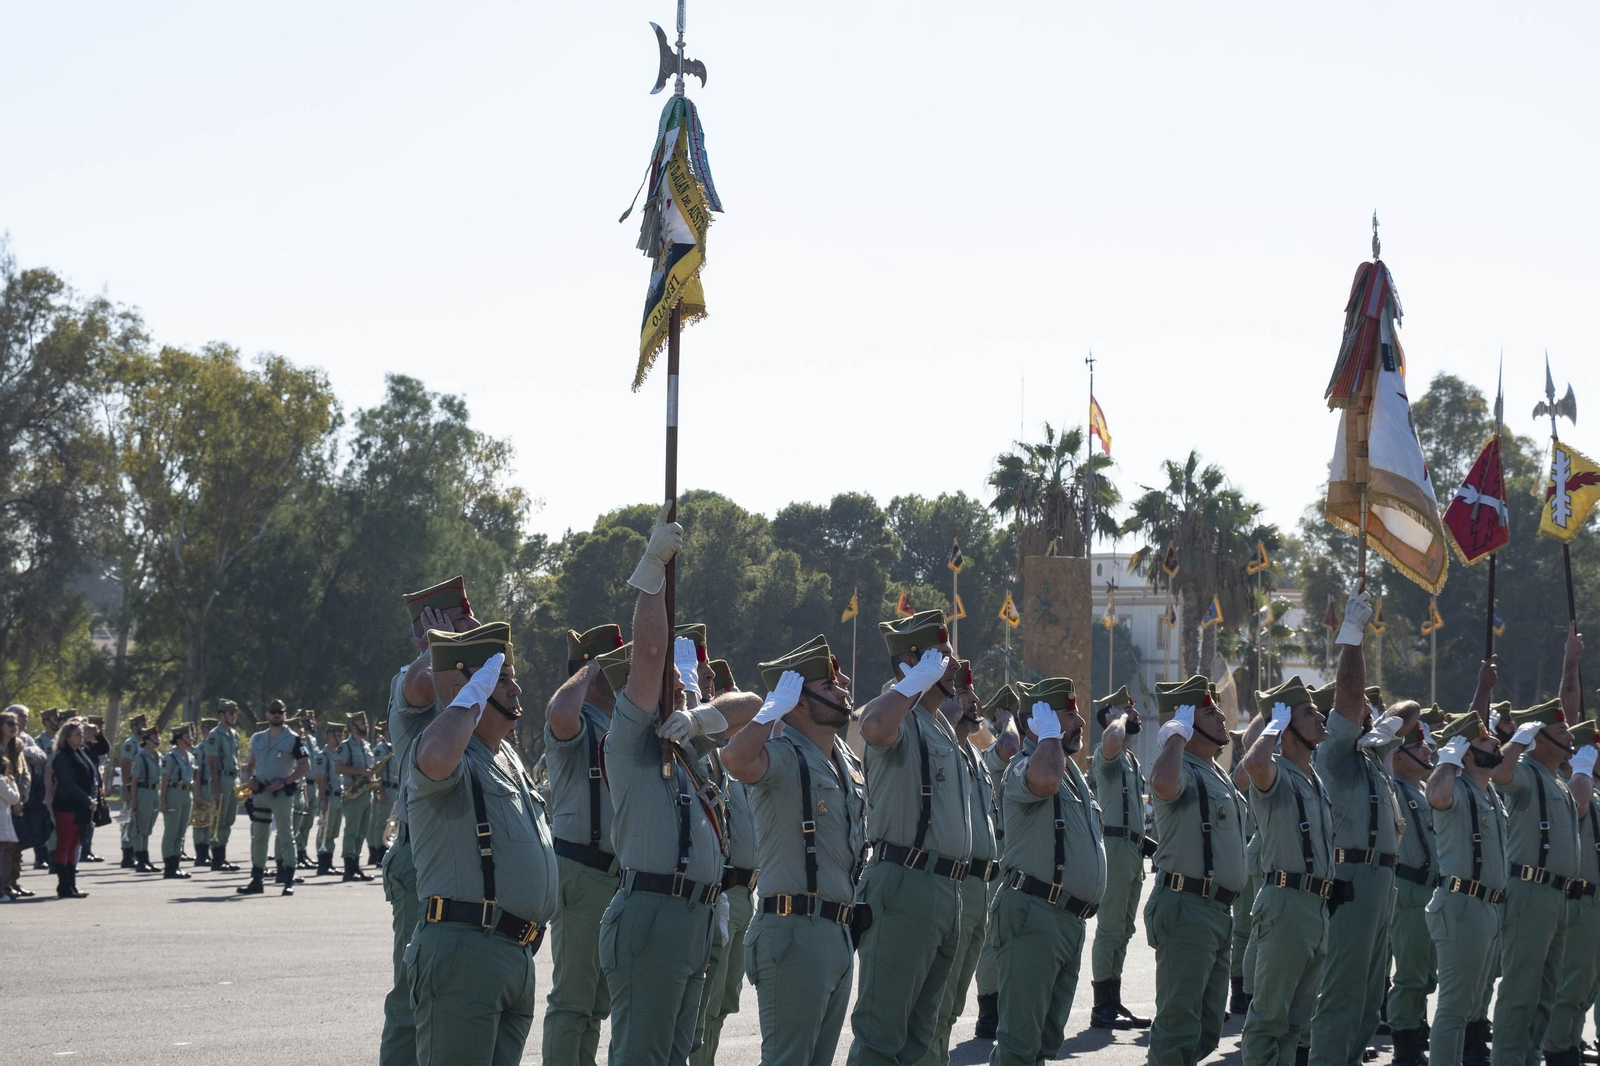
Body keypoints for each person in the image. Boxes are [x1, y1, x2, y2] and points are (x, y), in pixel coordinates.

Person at [598, 509, 762, 1066]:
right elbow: (647, 657)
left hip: (696, 919)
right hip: (652, 914)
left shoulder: (690, 746)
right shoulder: (629, 742)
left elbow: (752, 708)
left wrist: (698, 721)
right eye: (674, 685)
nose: (681, 691)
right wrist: (653, 574)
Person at [408, 620, 559, 1063]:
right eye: (502, 681)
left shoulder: (507, 755)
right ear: (471, 686)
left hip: (515, 953)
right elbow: (434, 759)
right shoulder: (447, 748)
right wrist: (469, 698)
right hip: (465, 950)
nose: (516, 691)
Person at [723, 635, 868, 1066]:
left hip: (837, 932)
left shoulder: (843, 761)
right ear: (797, 702)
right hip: (793, 931)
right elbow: (735, 759)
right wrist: (770, 710)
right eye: (828, 686)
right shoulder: (783, 755)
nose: (843, 689)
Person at [848, 609, 972, 1066]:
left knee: (922, 1039)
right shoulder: (895, 710)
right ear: (915, 662)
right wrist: (913, 682)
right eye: (943, 656)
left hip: (944, 890)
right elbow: (873, 726)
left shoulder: (938, 722)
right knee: (881, 1037)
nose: (954, 666)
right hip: (905, 883)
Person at [1308, 592, 1418, 1066]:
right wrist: (1351, 635)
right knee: (1343, 997)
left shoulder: (1371, 759)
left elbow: (1409, 712)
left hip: (1382, 882)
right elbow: (1351, 697)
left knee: (1371, 1002)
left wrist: (1384, 727)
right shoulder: (1334, 753)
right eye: (1364, 711)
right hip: (1351, 880)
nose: (1371, 712)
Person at [378, 575, 480, 1066]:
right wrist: (441, 647)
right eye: (464, 620)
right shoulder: (411, 678)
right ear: (434, 629)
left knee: (446, 992)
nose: (476, 625)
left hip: (454, 858)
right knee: (411, 994)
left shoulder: (468, 685)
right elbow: (423, 684)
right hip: (419, 860)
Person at [989, 677, 1106, 1066]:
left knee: (1043, 1044)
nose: (1079, 721)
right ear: (1040, 721)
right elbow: (1044, 780)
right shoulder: (1027, 765)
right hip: (1034, 913)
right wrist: (1048, 736)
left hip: (1067, 920)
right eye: (1067, 714)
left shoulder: (1072, 774)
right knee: (1019, 1045)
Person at [1145, 674, 1250, 1066]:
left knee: (1206, 1030)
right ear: (1186, 721)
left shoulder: (1214, 770)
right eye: (1210, 710)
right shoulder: (1182, 764)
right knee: (1177, 1028)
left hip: (1217, 912)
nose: (1222, 715)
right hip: (1186, 906)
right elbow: (1162, 783)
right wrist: (1175, 737)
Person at [1495, 627, 1588, 1066]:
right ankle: (1510, 1059)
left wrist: (1571, 661)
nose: (1571, 739)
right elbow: (1499, 776)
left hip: (1558, 895)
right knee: (1521, 988)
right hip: (1530, 892)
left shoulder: (1556, 778)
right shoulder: (1529, 773)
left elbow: (1566, 711)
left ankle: (1528, 1057)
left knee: (1546, 991)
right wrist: (1517, 740)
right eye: (1561, 734)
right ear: (1541, 741)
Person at [1239, 671, 1336, 1066]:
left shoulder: (1314, 777)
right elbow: (1253, 766)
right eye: (1309, 712)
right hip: (1285, 902)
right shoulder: (1275, 771)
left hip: (1315, 907)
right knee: (1269, 1019)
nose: (1320, 718)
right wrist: (1271, 728)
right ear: (1287, 724)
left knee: (1298, 1023)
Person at [541, 623, 626, 1066]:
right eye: (617, 665)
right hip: (583, 868)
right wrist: (590, 667)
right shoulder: (576, 718)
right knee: (572, 999)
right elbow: (558, 714)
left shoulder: (615, 722)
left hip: (614, 876)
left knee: (596, 1002)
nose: (625, 672)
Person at [917, 660, 1006, 1066]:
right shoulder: (937, 746)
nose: (975, 702)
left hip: (981, 889)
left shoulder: (973, 754)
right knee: (936, 1004)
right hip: (955, 881)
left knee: (953, 1005)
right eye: (965, 693)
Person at [686, 626, 759, 1066]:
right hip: (715, 890)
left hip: (739, 894)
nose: (712, 684)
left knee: (720, 1005)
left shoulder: (721, 750)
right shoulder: (687, 745)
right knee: (700, 1008)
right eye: (703, 677)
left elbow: (752, 706)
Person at [1425, 709, 1512, 1066]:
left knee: (1469, 1008)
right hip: (1462, 905)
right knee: (1454, 1008)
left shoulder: (1487, 791)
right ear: (1466, 752)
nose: (1494, 740)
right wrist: (1447, 761)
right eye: (1482, 739)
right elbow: (1437, 798)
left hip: (1486, 907)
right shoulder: (1456, 786)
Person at [1089, 684, 1154, 1031]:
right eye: (1128, 708)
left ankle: (1112, 1000)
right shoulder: (1108, 751)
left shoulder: (1131, 759)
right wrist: (1119, 718)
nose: (1135, 712)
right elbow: (1111, 740)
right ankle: (1101, 1006)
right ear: (1112, 716)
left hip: (1132, 850)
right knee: (1110, 928)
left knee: (1125, 929)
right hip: (1114, 849)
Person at [1546, 716, 1600, 1066]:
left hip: (1593, 903)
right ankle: (1558, 1052)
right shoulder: (1570, 790)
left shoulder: (1592, 792)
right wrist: (1581, 768)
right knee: (1570, 988)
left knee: (1586, 989)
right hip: (1579, 902)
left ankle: (1568, 1045)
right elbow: (1577, 808)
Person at [1386, 718, 1439, 1066]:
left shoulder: (1422, 791)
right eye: (1418, 746)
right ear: (1398, 756)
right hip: (1407, 889)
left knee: (1425, 974)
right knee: (1410, 975)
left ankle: (1415, 1033)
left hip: (1427, 891)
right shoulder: (1394, 788)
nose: (1427, 750)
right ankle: (1405, 1048)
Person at [974, 683, 1024, 1041]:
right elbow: (1009, 746)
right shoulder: (996, 753)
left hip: (1017, 856)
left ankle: (1004, 1005)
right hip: (997, 855)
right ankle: (988, 1012)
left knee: (1014, 938)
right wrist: (1007, 722)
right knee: (992, 939)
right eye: (1016, 716)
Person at [238, 699, 311, 896]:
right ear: (267, 715)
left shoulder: (293, 739)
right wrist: (250, 779)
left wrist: (286, 781)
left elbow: (305, 766)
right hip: (260, 794)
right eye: (273, 712)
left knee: (286, 836)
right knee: (259, 837)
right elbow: (250, 764)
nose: (276, 714)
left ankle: (287, 880)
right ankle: (256, 880)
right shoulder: (258, 739)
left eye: (280, 711)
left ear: (285, 715)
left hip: (281, 795)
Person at [49, 717, 98, 899]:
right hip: (67, 805)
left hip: (81, 806)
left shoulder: (81, 752)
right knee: (64, 845)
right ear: (67, 737)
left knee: (74, 845)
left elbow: (91, 776)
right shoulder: (62, 756)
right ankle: (63, 886)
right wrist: (87, 800)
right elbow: (68, 783)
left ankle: (72, 885)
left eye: (82, 734)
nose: (81, 737)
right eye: (77, 734)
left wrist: (91, 799)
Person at [334, 710, 378, 882]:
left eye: (365, 724)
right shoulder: (345, 745)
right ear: (353, 726)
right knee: (351, 831)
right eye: (362, 724)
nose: (365, 726)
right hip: (353, 793)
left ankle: (356, 865)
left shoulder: (366, 746)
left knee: (363, 830)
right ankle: (348, 868)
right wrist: (361, 772)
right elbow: (338, 767)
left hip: (367, 793)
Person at [205, 701, 243, 872]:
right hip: (221, 779)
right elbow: (212, 764)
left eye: (234, 713)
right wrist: (216, 788)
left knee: (229, 819)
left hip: (233, 780)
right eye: (230, 713)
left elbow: (236, 758)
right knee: (218, 819)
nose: (233, 716)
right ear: (221, 715)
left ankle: (222, 856)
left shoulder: (234, 734)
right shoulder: (215, 735)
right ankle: (217, 858)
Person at [159, 725, 197, 879]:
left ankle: (175, 866)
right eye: (188, 737)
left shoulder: (190, 757)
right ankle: (169, 867)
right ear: (179, 739)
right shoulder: (170, 757)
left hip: (186, 794)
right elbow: (165, 781)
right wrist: (163, 801)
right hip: (174, 794)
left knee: (181, 832)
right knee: (171, 832)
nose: (191, 739)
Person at [1, 709, 30, 899]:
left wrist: (21, 798)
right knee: (4, 847)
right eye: (10, 724)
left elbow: (24, 773)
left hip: (15, 798)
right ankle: (4, 885)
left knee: (15, 846)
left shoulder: (17, 746)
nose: (14, 727)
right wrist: (13, 800)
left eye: (16, 724)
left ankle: (12, 882)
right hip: (4, 800)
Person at [129, 724, 164, 873]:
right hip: (143, 792)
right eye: (155, 737)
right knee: (140, 829)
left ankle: (146, 860)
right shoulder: (141, 756)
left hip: (154, 793)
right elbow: (134, 780)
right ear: (147, 740)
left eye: (158, 736)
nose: (158, 739)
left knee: (147, 829)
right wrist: (133, 800)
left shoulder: (158, 756)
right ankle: (141, 861)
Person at [315, 719, 347, 875]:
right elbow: (319, 778)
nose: (341, 738)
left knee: (333, 831)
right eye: (338, 735)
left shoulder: (339, 755)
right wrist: (323, 800)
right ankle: (322, 864)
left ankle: (329, 863)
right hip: (327, 798)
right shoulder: (323, 755)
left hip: (338, 798)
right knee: (324, 831)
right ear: (330, 736)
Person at [117, 712, 148, 867]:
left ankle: (135, 852)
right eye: (142, 725)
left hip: (140, 787)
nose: (145, 727)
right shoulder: (131, 744)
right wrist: (126, 789)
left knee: (137, 822)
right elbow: (125, 767)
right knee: (126, 820)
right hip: (130, 786)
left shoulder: (144, 743)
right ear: (134, 727)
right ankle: (126, 854)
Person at [292, 711, 321, 871]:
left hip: (313, 785)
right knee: (299, 822)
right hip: (303, 785)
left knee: (308, 823)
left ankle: (302, 852)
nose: (311, 723)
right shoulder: (299, 740)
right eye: (307, 720)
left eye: (312, 720)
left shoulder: (313, 741)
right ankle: (296, 854)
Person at [80, 716, 110, 864]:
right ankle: (80, 851)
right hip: (81, 789)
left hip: (93, 787)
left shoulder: (90, 747)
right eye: (85, 731)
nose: (88, 734)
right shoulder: (76, 748)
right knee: (82, 823)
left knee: (91, 822)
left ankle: (86, 850)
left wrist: (98, 734)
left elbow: (105, 748)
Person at [366, 719, 396, 867]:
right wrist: (380, 790)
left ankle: (386, 851)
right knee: (381, 823)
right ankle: (378, 853)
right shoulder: (381, 748)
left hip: (395, 789)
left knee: (392, 823)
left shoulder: (394, 746)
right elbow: (376, 770)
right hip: (386, 788)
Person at [190, 716, 217, 867]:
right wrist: (197, 793)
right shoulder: (199, 750)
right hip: (203, 787)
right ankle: (200, 855)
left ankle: (207, 853)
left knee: (211, 822)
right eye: (210, 729)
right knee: (201, 822)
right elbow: (196, 774)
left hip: (213, 787)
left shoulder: (215, 747)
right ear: (204, 730)